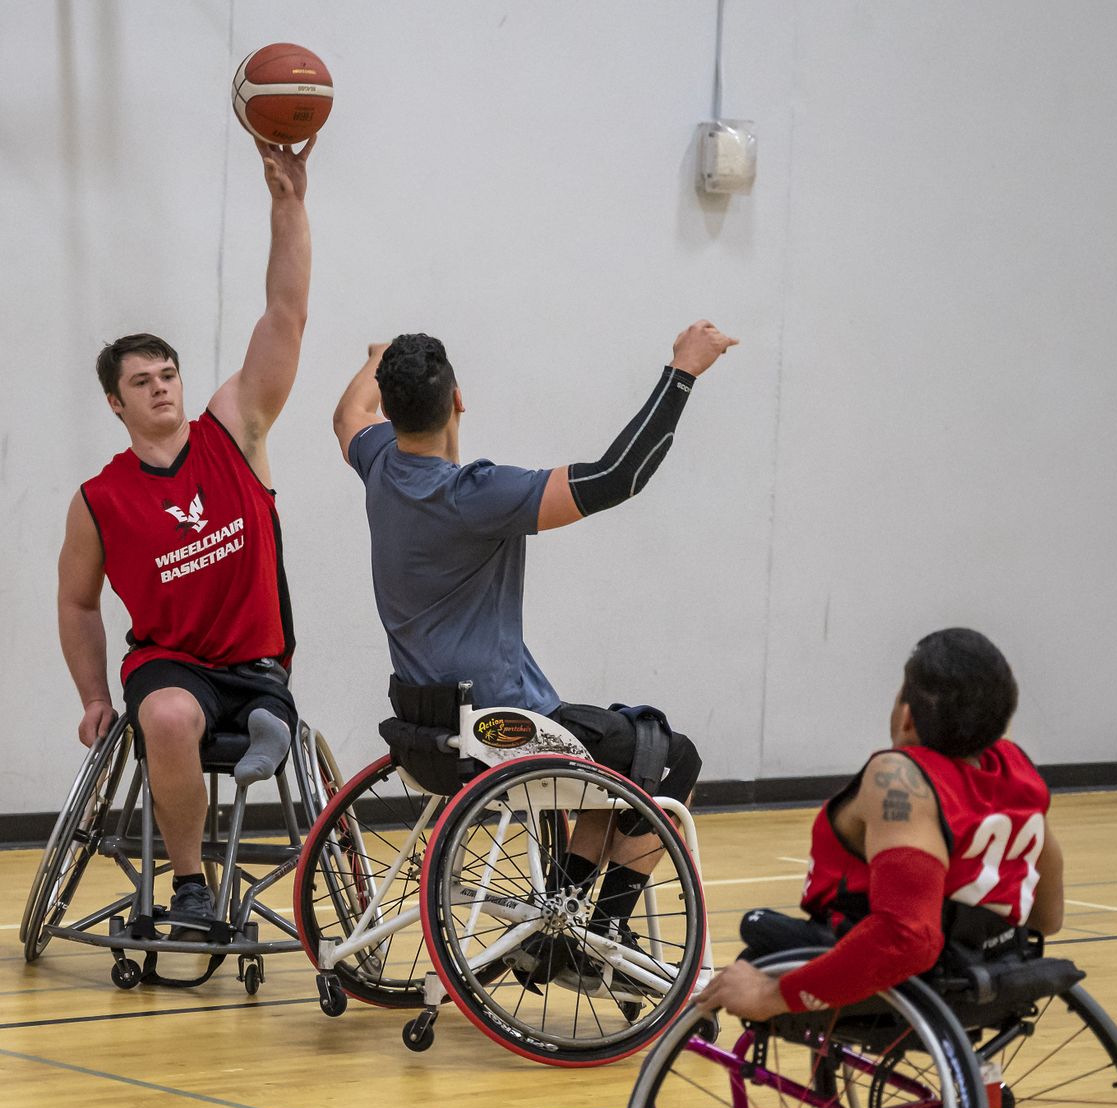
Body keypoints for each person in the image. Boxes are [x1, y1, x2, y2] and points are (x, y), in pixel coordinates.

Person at [332, 320, 736, 988]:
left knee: (619, 749)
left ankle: (560, 929)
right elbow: (619, 474)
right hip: (501, 729)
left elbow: (348, 413)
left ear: (392, 405)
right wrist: (683, 371)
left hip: (425, 728)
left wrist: (374, 360)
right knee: (674, 756)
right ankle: (597, 927)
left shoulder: (377, 462)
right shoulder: (474, 496)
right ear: (457, 399)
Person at [56, 137, 316, 933]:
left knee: (247, 703)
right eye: (142, 381)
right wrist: (97, 696)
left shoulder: (233, 429)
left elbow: (285, 314)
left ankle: (264, 718)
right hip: (172, 662)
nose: (161, 386)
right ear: (117, 402)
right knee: (167, 718)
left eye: (167, 373)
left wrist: (288, 205)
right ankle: (193, 886)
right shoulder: (100, 497)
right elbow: (75, 602)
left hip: (255, 657)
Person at [696, 627, 1064, 1021]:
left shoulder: (901, 779)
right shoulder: (1017, 770)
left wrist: (770, 994)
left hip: (900, 976)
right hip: (994, 969)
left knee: (758, 929)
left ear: (907, 717)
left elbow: (907, 939)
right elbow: (1047, 918)